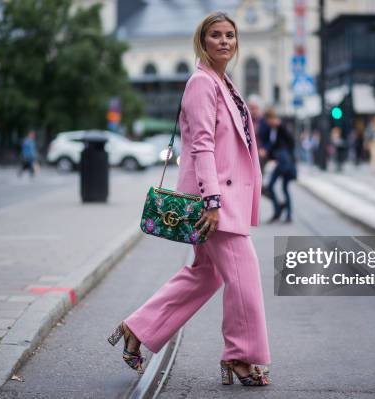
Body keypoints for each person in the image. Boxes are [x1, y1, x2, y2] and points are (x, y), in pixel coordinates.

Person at [107, 12, 271, 387]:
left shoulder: (225, 83)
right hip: (214, 202)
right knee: (244, 277)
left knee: (204, 275)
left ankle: (137, 327)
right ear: (203, 40)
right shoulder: (202, 82)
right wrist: (213, 202)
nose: (225, 41)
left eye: (230, 35)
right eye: (216, 35)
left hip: (224, 198)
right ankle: (241, 356)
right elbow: (200, 146)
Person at [264, 108, 297, 223]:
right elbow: (273, 145)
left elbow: (291, 142)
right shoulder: (271, 130)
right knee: (270, 186)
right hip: (279, 162)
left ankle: (288, 215)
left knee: (284, 187)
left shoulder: (282, 127)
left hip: (286, 162)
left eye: (269, 120)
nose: (268, 122)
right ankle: (278, 211)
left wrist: (281, 126)